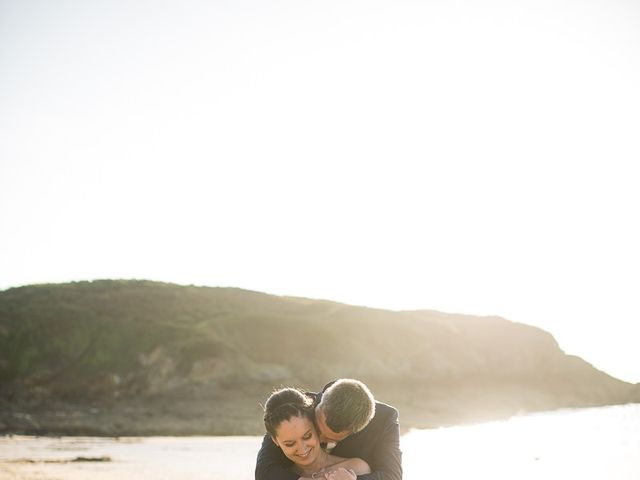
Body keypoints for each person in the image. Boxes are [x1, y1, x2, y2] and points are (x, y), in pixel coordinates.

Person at [255, 379, 402, 480]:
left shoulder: (384, 421)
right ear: (318, 407)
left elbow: (392, 476)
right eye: (317, 430)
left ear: (352, 432)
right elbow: (264, 470)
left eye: (330, 438)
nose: (320, 440)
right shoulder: (296, 408)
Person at [262, 387, 371, 480]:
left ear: (315, 425)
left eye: (307, 436)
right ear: (275, 441)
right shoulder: (273, 476)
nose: (302, 448)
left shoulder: (356, 468)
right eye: (290, 443)